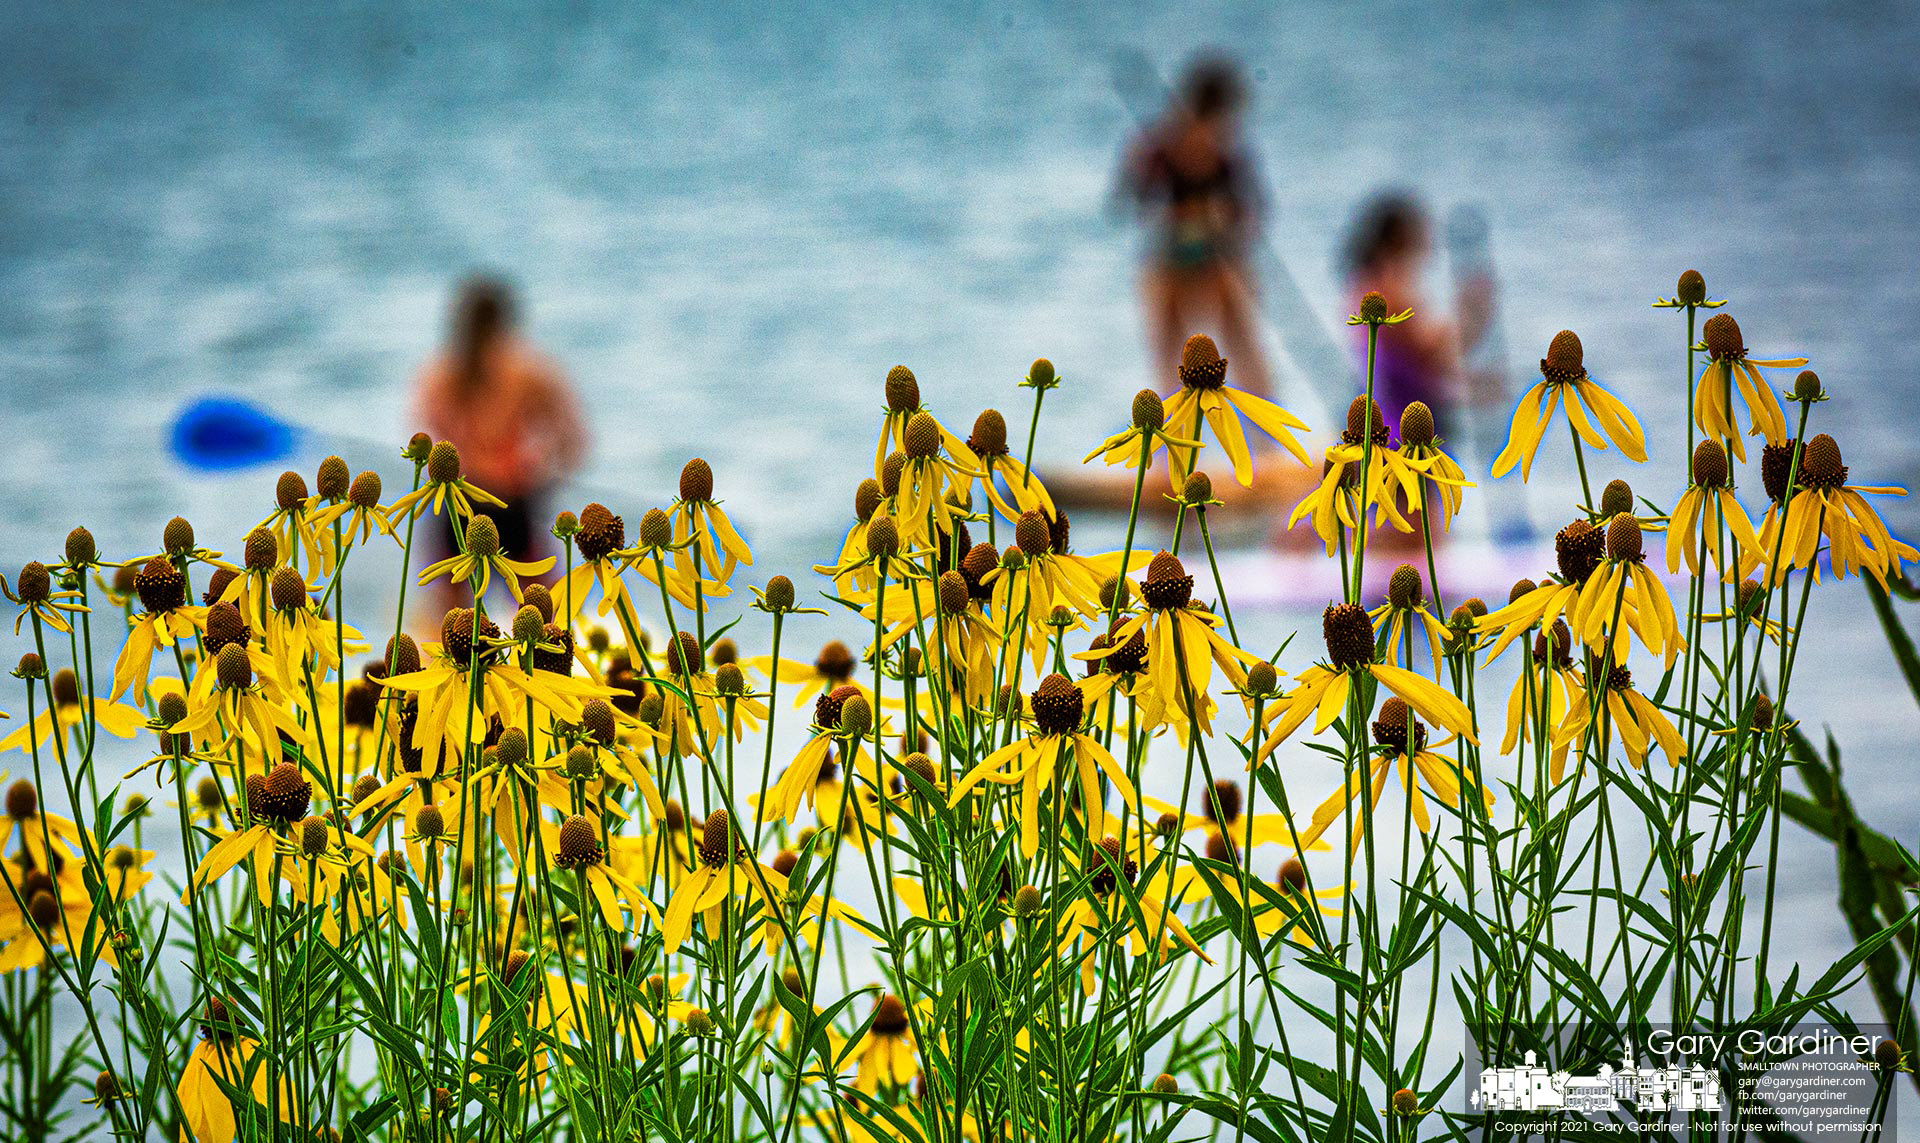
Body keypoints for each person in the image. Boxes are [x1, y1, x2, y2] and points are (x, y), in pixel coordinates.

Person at [412, 276, 588, 611]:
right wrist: (542, 474)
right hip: (513, 501)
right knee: (543, 617)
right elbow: (572, 439)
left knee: (453, 631)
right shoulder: (530, 371)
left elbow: (428, 438)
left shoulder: (439, 373)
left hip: (459, 504)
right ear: (505, 319)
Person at [1119, 55, 1273, 400]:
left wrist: (1224, 218)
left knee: (1243, 345)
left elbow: (1253, 214)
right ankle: (1168, 438)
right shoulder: (1160, 148)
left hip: (1217, 261)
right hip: (1170, 262)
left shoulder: (1228, 158)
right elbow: (1131, 202)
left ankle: (1267, 440)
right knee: (1168, 354)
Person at [1339, 191, 1491, 433]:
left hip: (1391, 414)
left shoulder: (1364, 282)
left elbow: (1422, 363)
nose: (1427, 237)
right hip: (1400, 429)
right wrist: (1471, 313)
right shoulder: (1389, 292)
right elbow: (1433, 358)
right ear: (1401, 236)